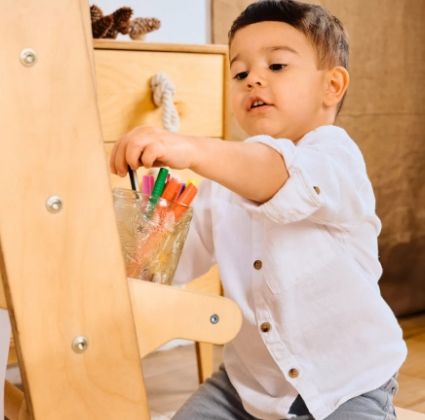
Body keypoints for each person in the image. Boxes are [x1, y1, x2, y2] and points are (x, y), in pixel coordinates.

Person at [110, 0, 407, 418]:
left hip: (347, 383)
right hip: (247, 387)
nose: (253, 80)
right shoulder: (221, 185)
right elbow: (175, 266)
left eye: (277, 66)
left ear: (332, 86)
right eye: (240, 73)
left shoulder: (335, 157)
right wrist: (148, 233)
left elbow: (279, 174)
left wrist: (192, 147)